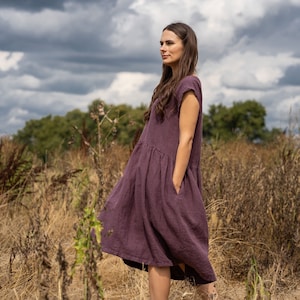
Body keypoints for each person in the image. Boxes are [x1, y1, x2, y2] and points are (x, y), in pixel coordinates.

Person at [99, 22, 218, 300]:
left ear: (186, 46)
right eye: (161, 44)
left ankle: (210, 293)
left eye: (170, 43)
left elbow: (186, 139)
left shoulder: (189, 84)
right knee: (156, 251)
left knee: (182, 244)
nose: (163, 49)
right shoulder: (167, 84)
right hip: (149, 177)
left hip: (169, 178)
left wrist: (174, 182)